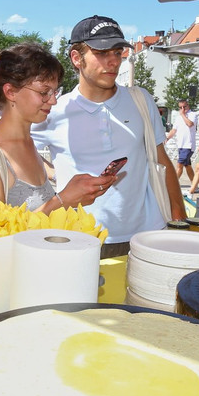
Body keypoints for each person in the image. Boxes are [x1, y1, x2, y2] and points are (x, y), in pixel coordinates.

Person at [32, 15, 186, 256]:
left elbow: (161, 160)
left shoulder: (140, 100)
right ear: (76, 58)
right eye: (102, 53)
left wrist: (179, 219)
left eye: (117, 52)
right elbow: (20, 150)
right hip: (81, 238)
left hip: (147, 235)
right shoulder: (54, 111)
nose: (114, 61)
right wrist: (52, 173)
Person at [0, 42, 112, 210]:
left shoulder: (28, 143)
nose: (53, 100)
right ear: (10, 92)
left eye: (54, 92)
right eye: (44, 92)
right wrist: (62, 200)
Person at [164, 99, 197, 191]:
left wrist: (183, 115)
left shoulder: (193, 115)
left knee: (179, 165)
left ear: (188, 105)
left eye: (184, 107)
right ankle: (195, 185)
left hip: (188, 145)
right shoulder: (178, 118)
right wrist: (167, 138)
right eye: (180, 107)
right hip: (181, 145)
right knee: (187, 166)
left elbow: (190, 124)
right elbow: (174, 130)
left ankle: (171, 186)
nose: (182, 109)